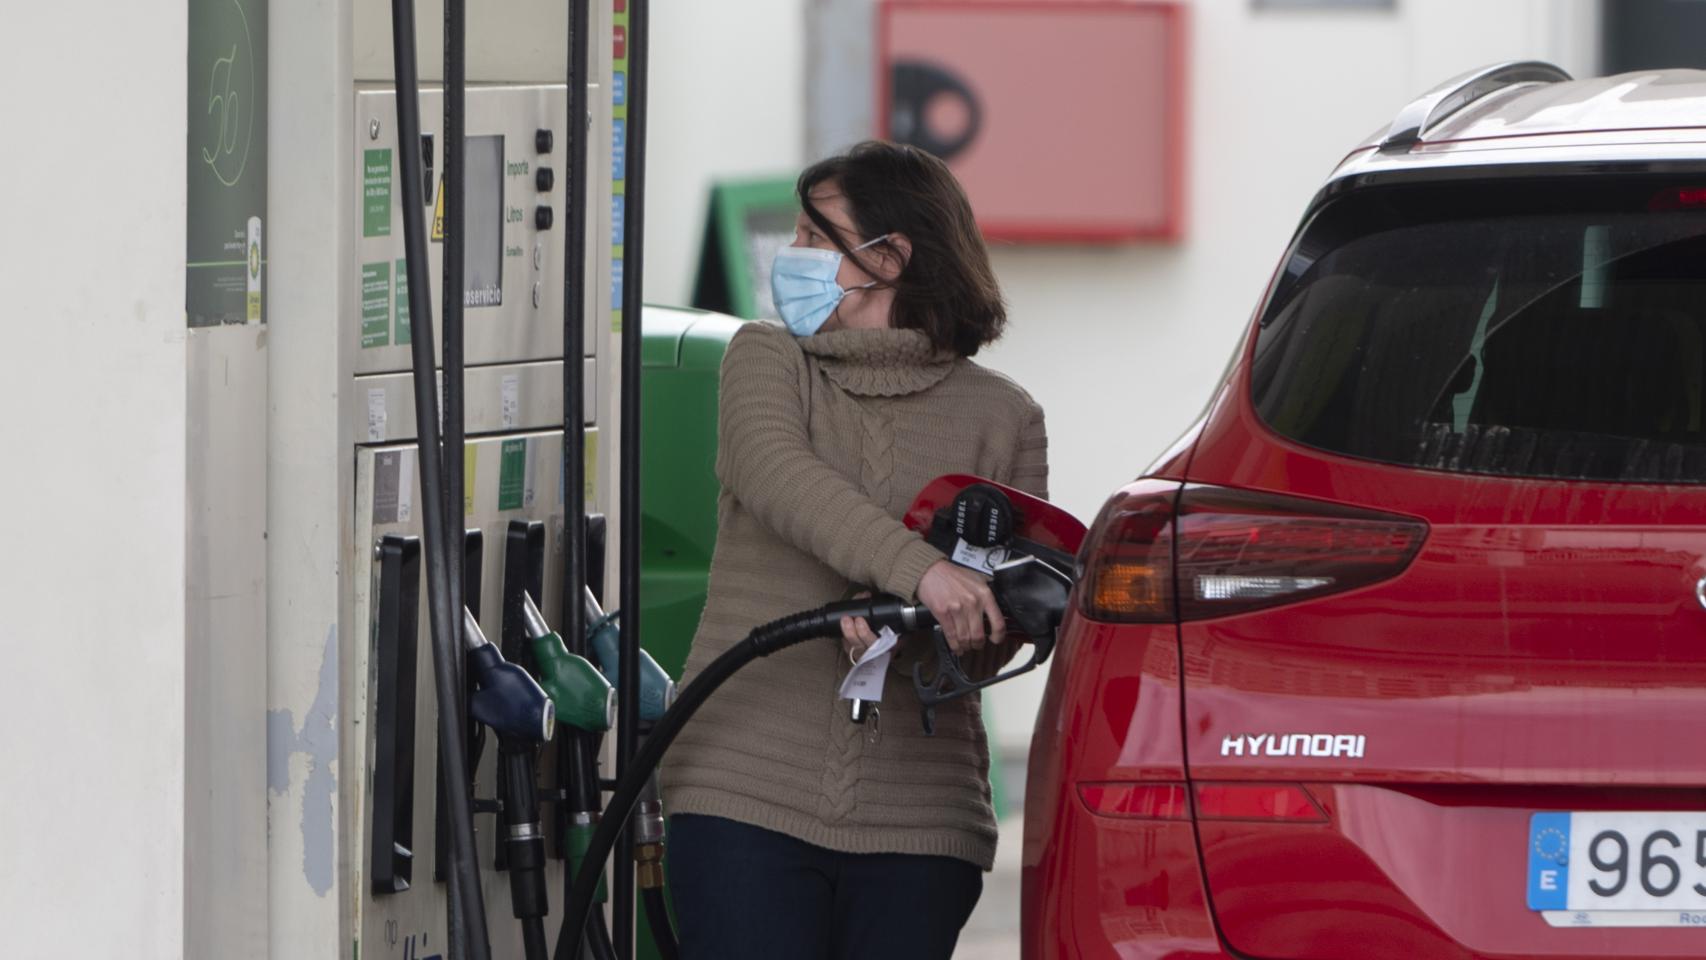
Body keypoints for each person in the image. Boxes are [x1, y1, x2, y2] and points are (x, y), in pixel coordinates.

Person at [661, 140, 1048, 959]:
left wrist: (945, 628)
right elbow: (777, 474)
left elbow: (988, 642)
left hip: (920, 822)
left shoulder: (1004, 418)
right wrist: (920, 571)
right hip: (744, 790)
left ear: (888, 256)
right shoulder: (767, 360)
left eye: (811, 237)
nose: (789, 257)